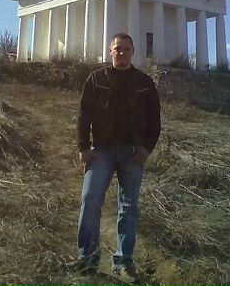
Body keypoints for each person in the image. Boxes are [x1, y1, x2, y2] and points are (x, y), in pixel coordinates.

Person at [75, 33, 161, 282]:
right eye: (117, 49)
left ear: (133, 51)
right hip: (101, 151)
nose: (122, 53)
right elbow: (83, 115)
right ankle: (87, 259)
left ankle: (123, 262)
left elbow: (155, 120)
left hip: (132, 154)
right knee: (90, 200)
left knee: (128, 207)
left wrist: (146, 149)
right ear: (110, 51)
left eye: (126, 49)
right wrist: (83, 147)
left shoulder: (144, 82)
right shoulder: (96, 79)